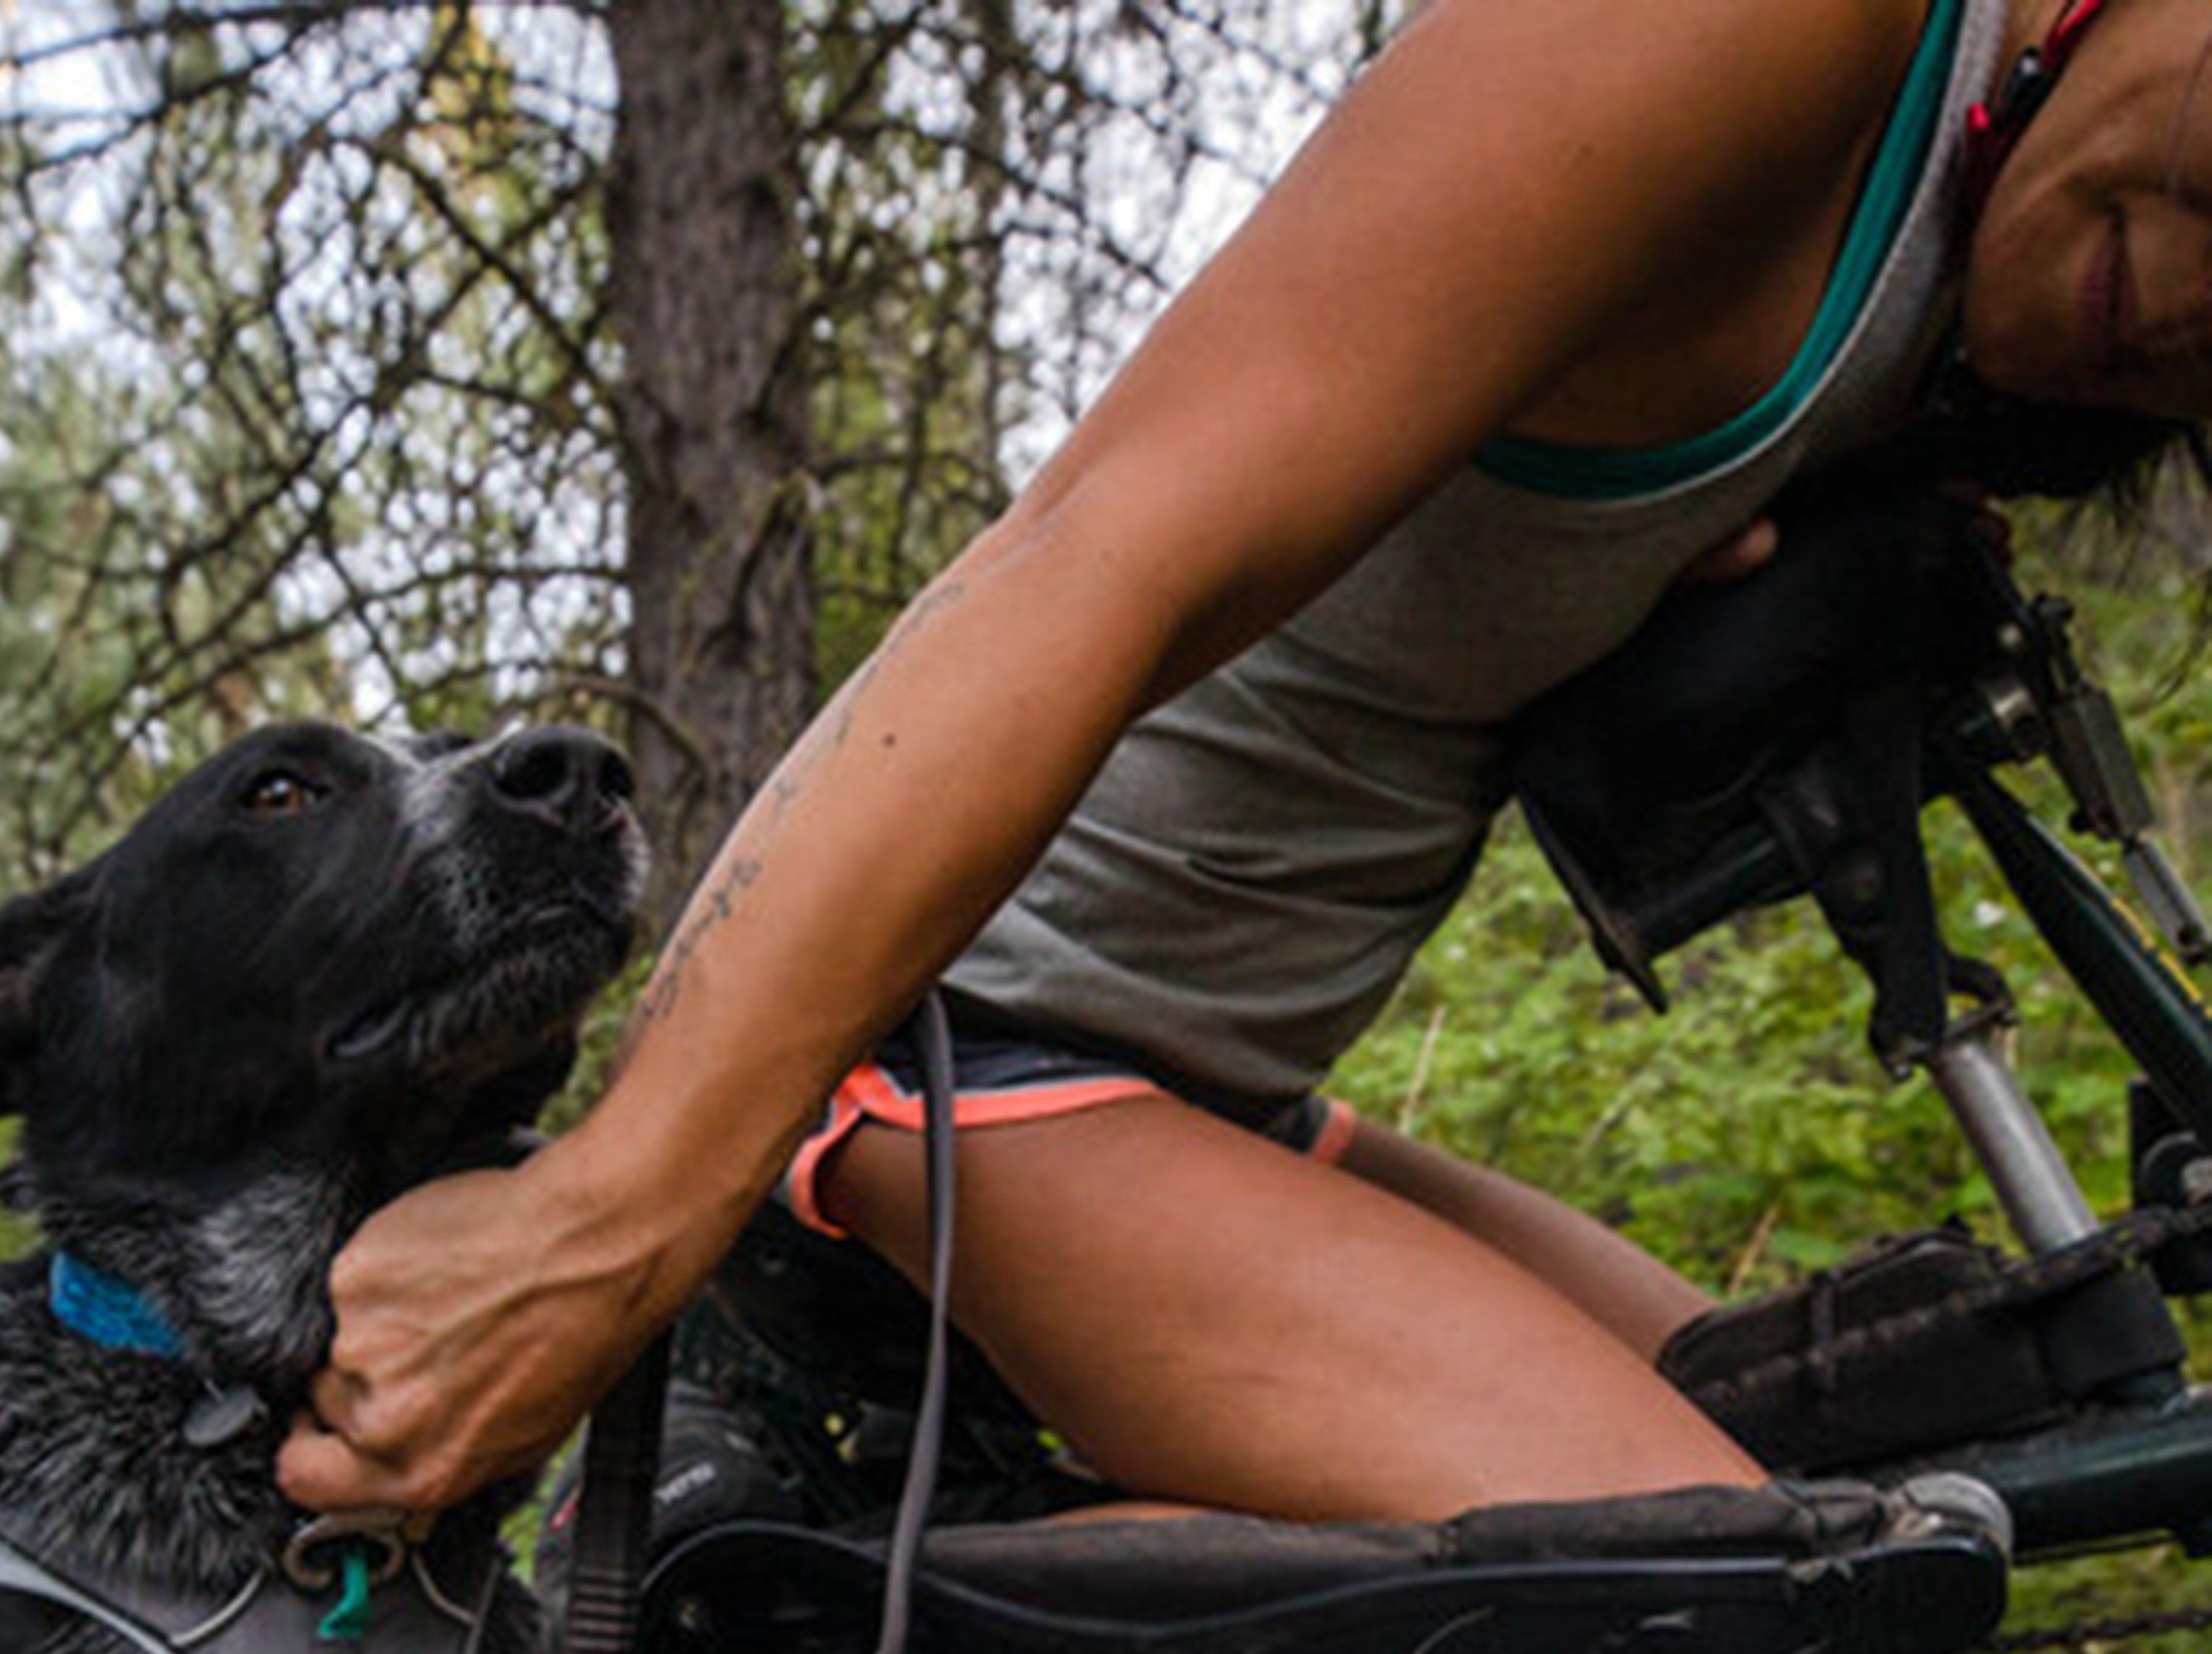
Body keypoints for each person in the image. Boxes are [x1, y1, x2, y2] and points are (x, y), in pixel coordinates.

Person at [280, 0, 2212, 1533]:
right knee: (1736, 1633)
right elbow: (1096, 556)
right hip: (942, 1062)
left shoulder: (1959, 265)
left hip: (1225, 1111)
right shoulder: (1753, 29)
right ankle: (802, 1537)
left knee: (1854, 1482)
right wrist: (603, 1220)